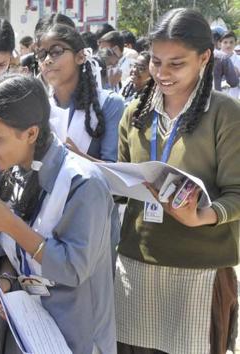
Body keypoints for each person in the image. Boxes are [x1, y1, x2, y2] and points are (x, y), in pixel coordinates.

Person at [115, 9, 240, 354]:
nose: (162, 73)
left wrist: (201, 215)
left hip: (201, 270)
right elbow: (124, 186)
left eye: (176, 64)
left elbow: (237, 192)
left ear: (204, 58)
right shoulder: (134, 114)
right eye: (156, 62)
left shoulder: (224, 114)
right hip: (136, 266)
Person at [0, 73, 116, 354]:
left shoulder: (82, 183)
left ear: (31, 133)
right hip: (27, 331)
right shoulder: (15, 172)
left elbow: (72, 269)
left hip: (75, 337)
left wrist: (11, 225)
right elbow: (12, 253)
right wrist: (6, 281)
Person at [36, 24, 125, 163]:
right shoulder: (41, 107)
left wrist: (77, 157)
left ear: (80, 57)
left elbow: (114, 171)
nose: (47, 60)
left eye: (56, 51)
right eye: (41, 55)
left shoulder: (109, 103)